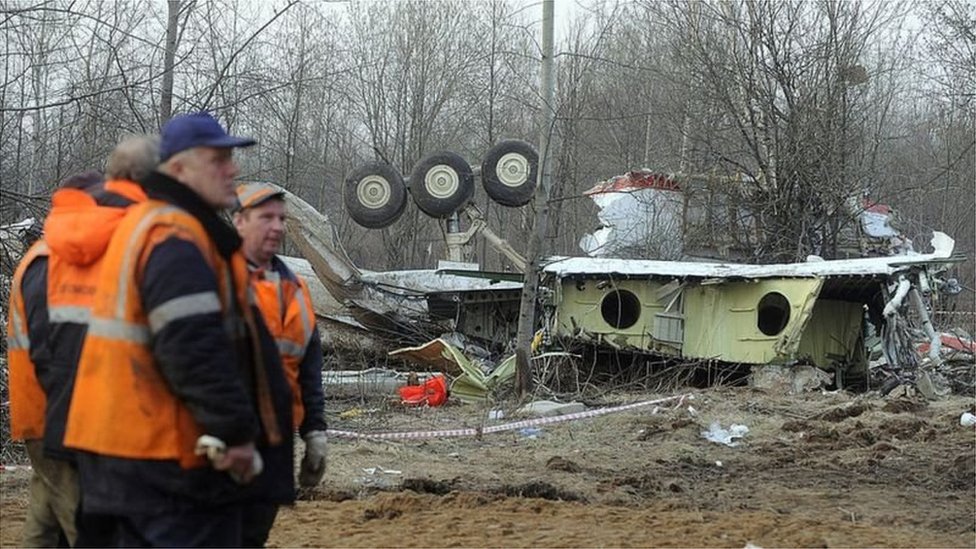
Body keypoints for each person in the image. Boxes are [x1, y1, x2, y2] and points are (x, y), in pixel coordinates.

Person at [62, 112, 292, 547]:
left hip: (124, 454)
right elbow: (191, 344)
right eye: (218, 159)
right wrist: (234, 433)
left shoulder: (154, 225)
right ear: (180, 168)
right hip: (163, 464)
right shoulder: (175, 237)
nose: (233, 170)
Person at [6, 137, 157, 548]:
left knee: (46, 517)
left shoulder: (46, 256)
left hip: (48, 413)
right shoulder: (51, 260)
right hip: (59, 416)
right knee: (83, 526)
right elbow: (55, 351)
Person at [232, 182, 328, 546]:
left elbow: (309, 367)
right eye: (265, 218)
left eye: (281, 219)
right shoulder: (212, 280)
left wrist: (315, 432)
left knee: (255, 533)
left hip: (275, 436)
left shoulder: (296, 288)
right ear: (239, 221)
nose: (277, 227)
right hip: (221, 440)